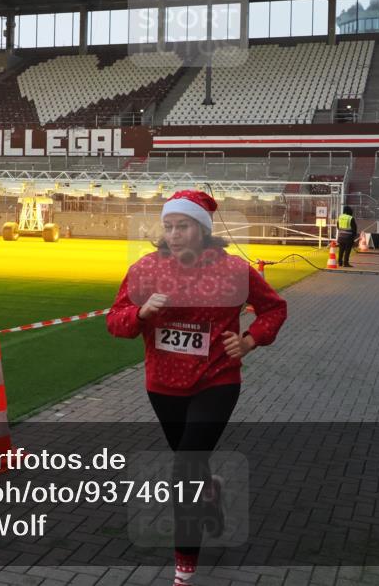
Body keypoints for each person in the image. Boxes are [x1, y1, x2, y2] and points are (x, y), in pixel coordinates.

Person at [106, 190, 287, 585]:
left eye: (183, 226)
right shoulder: (145, 269)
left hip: (216, 379)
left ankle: (184, 568)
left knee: (185, 467)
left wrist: (250, 340)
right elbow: (115, 321)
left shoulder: (234, 270)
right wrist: (140, 312)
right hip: (163, 384)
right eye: (168, 226)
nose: (173, 234)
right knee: (191, 462)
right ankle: (210, 490)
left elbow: (275, 307)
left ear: (203, 230)